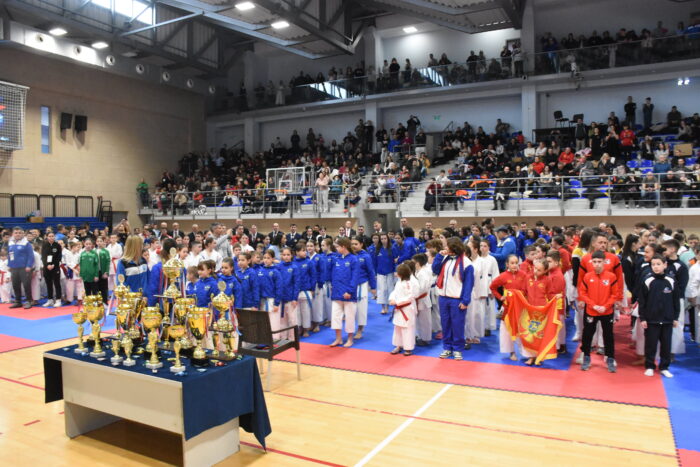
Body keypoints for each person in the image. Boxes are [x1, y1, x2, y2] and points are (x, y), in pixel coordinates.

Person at [577, 250, 622, 372]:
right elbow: (583, 293)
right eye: (594, 262)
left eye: (599, 262)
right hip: (591, 311)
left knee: (608, 335)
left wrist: (606, 306)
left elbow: (615, 294)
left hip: (607, 312)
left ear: (604, 262)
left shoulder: (611, 277)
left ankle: (610, 358)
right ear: (591, 262)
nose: (596, 264)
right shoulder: (587, 276)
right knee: (587, 335)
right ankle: (586, 357)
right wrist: (593, 305)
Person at [433, 237, 475, 360]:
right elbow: (435, 269)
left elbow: (468, 284)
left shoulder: (467, 263)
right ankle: (447, 347)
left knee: (457, 325)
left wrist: (465, 300)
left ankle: (457, 348)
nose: (445, 248)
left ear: (454, 247)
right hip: (443, 297)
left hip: (457, 298)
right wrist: (439, 256)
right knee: (445, 324)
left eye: (447, 246)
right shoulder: (445, 258)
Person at [638, 255, 680, 378]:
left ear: (665, 265)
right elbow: (642, 301)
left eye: (658, 264)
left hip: (667, 319)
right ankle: (650, 366)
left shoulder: (671, 280)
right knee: (650, 344)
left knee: (666, 345)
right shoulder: (647, 280)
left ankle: (664, 367)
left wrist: (675, 317)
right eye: (653, 264)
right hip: (651, 319)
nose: (656, 267)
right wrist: (643, 318)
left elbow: (676, 300)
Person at [490, 255, 527, 361]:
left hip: (521, 307)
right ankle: (511, 352)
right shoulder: (503, 276)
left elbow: (527, 289)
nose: (515, 265)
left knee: (522, 329)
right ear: (507, 264)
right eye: (512, 263)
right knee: (506, 330)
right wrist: (500, 297)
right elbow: (492, 287)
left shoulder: (523, 275)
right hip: (507, 308)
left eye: (516, 263)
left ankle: (526, 352)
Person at [330, 238, 360, 348]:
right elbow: (334, 275)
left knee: (349, 317)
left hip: (348, 294)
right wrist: (333, 287)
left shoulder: (354, 259)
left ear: (343, 247)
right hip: (337, 292)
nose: (336, 249)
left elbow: (355, 277)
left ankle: (350, 339)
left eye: (337, 247)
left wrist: (350, 291)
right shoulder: (336, 259)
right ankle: (338, 339)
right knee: (335, 316)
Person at [389, 263, 418, 356]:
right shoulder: (399, 282)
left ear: (401, 273)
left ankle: (408, 348)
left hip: (407, 308)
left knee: (407, 328)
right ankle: (398, 345)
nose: (396, 273)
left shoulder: (409, 284)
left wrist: (398, 302)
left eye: (397, 272)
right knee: (397, 327)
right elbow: (394, 292)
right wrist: (392, 299)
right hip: (399, 309)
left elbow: (411, 297)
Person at [370, 234, 399, 314]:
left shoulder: (392, 248)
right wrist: (375, 273)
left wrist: (395, 271)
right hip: (380, 273)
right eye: (382, 239)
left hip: (390, 272)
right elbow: (374, 263)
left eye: (385, 238)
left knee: (390, 289)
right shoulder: (377, 249)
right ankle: (383, 307)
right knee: (381, 290)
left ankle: (388, 307)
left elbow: (396, 261)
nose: (383, 240)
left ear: (388, 239)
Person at [7, 227, 34, 309]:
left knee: (26, 285)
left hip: (24, 268)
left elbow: (30, 256)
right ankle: (18, 302)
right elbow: (9, 255)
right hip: (14, 268)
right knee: (15, 285)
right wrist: (9, 265)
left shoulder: (26, 243)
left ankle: (29, 301)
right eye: (16, 233)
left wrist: (29, 266)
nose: (17, 234)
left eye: (19, 233)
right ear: (13, 234)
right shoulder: (10, 243)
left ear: (23, 234)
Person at [294, 244, 315, 337]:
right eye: (303, 250)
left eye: (305, 250)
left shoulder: (309, 262)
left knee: (306, 311)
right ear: (297, 252)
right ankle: (299, 328)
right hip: (295, 291)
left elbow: (313, 276)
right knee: (297, 312)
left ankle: (306, 329)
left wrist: (312, 289)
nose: (305, 252)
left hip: (306, 289)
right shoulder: (293, 263)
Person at [41, 231, 62, 307]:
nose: (51, 237)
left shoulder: (58, 245)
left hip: (55, 267)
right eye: (49, 236)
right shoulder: (44, 245)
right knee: (48, 284)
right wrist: (47, 265)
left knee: (57, 283)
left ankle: (58, 300)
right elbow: (43, 257)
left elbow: (59, 257)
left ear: (54, 237)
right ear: (47, 237)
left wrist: (53, 265)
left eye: (52, 236)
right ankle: (50, 300)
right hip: (46, 268)